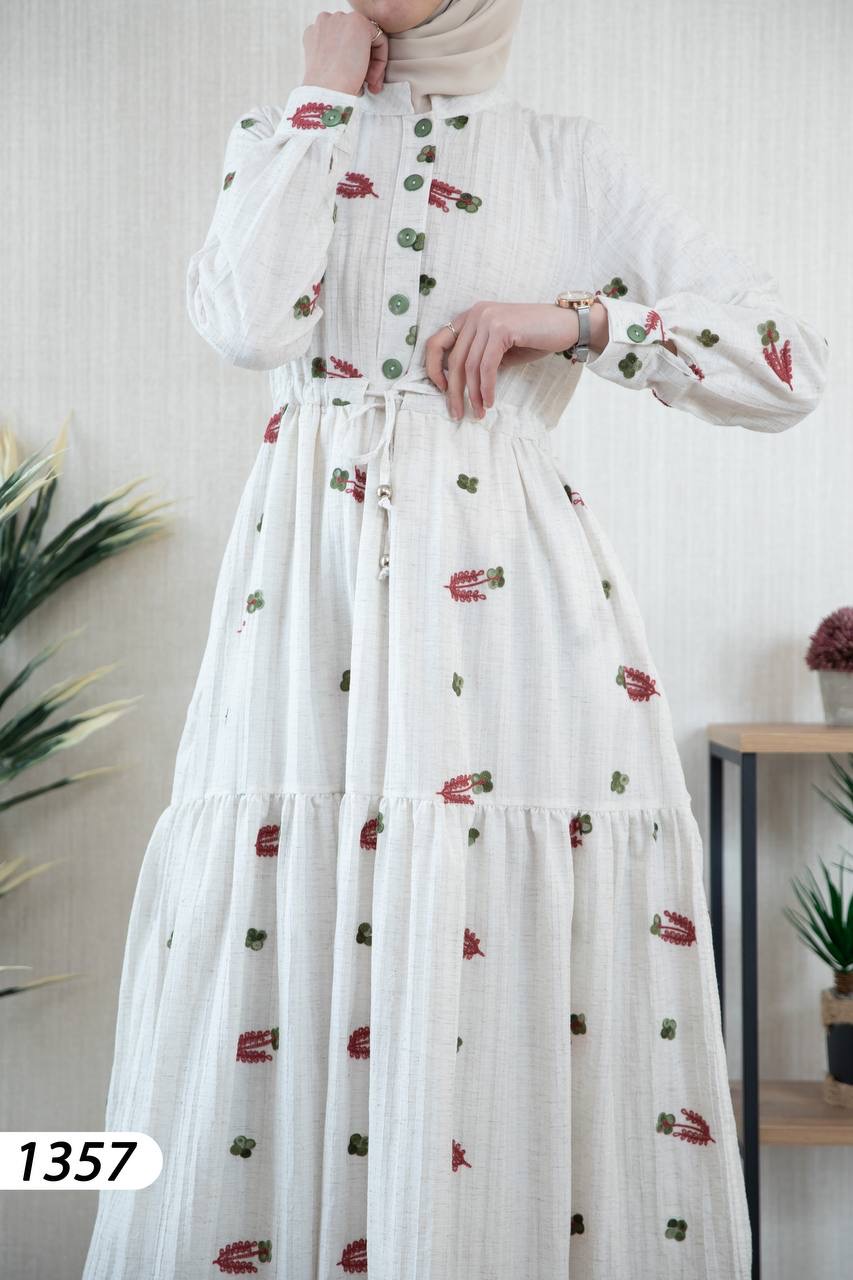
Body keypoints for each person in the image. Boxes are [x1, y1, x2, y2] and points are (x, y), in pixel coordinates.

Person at [82, 2, 829, 1277]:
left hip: (510, 617)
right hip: (304, 607)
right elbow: (247, 326)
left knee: (484, 906)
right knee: (289, 900)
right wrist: (318, 101)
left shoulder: (561, 156)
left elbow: (789, 365)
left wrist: (575, 321)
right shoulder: (281, 132)